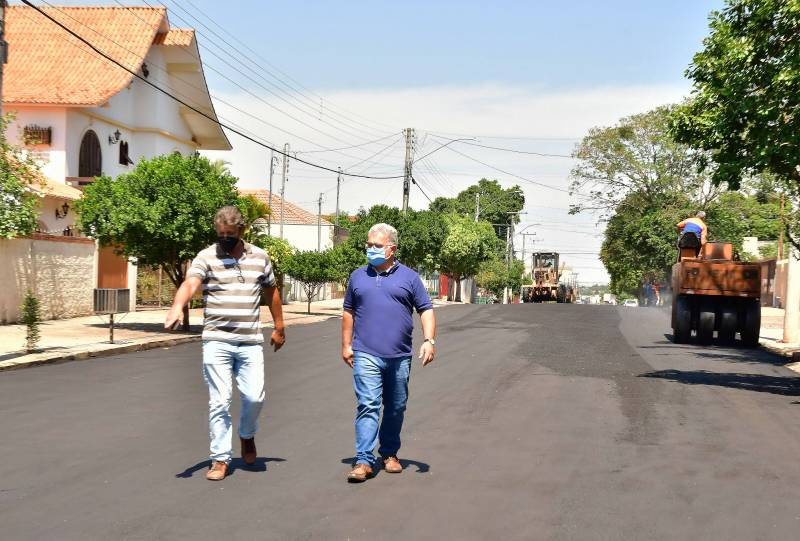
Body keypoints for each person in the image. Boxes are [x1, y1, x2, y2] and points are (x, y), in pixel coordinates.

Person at [165, 206, 286, 481]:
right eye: (220, 234)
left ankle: (246, 434)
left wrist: (280, 326)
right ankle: (220, 458)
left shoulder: (259, 257)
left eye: (230, 234)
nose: (225, 238)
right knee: (219, 401)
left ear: (241, 231)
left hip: (250, 341)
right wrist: (177, 306)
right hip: (216, 340)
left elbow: (271, 291)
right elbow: (190, 282)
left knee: (255, 397)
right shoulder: (207, 256)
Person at [341, 223, 436, 483]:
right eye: (368, 245)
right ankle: (363, 460)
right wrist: (346, 344)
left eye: (377, 246)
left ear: (391, 248)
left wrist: (429, 340)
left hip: (399, 356)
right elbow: (348, 311)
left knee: (395, 406)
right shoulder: (358, 276)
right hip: (366, 352)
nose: (370, 249)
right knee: (368, 405)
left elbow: (425, 309)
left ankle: (390, 454)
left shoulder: (410, 278)